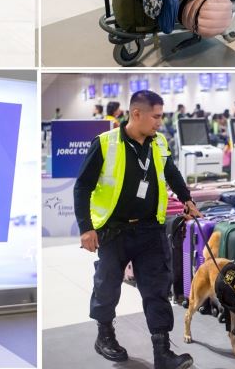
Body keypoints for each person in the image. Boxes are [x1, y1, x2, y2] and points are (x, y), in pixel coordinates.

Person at [73, 90, 200, 369]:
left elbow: (171, 172)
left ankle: (163, 352)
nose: (159, 122)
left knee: (157, 289)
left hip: (150, 230)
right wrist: (86, 228)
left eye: (161, 116)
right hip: (113, 230)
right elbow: (82, 186)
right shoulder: (105, 144)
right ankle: (105, 336)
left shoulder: (158, 143)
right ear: (136, 114)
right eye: (156, 116)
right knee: (107, 285)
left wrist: (186, 199)